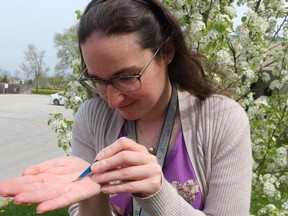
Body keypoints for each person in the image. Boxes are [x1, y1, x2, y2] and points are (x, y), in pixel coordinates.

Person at [0, 0, 252, 215]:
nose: (112, 100)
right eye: (98, 80)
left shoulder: (222, 120)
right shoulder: (92, 117)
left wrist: (157, 194)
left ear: (167, 52)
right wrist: (92, 194)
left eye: (127, 77)